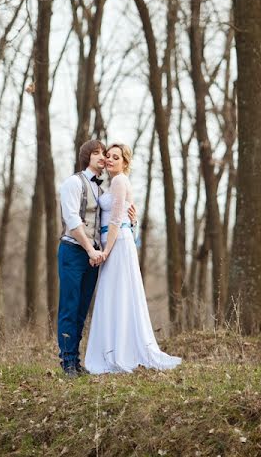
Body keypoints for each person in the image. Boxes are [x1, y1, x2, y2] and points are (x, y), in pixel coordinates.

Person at [84, 143, 181, 374]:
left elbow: (117, 219)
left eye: (115, 157)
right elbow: (128, 218)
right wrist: (133, 222)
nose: (109, 160)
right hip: (119, 240)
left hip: (117, 244)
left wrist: (107, 250)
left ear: (125, 163)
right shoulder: (114, 183)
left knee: (118, 294)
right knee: (117, 294)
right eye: (108, 156)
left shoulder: (119, 181)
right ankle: (115, 348)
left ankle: (121, 352)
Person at [56, 139, 136, 377]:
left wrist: (132, 218)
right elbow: (72, 220)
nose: (103, 157)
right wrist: (91, 250)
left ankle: (77, 361)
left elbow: (112, 216)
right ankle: (68, 362)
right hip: (74, 251)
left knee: (82, 310)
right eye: (98, 153)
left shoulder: (103, 190)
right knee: (69, 308)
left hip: (94, 256)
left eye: (106, 153)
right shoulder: (73, 183)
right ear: (86, 156)